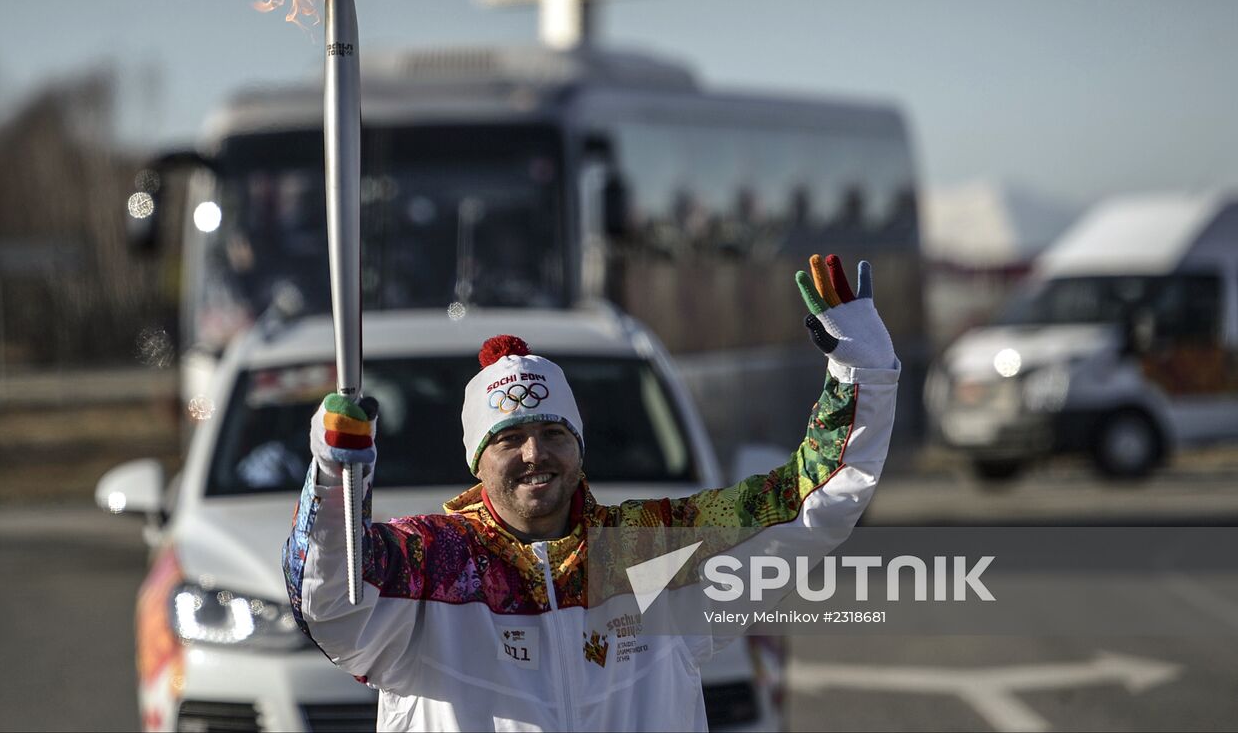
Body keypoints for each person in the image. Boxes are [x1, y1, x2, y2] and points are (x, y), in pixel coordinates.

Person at [283, 253, 899, 731]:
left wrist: (862, 372)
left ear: (579, 448)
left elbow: (808, 501)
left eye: (553, 432)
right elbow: (331, 607)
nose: (534, 454)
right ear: (478, 459)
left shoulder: (652, 550)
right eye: (509, 439)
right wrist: (337, 476)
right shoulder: (429, 564)